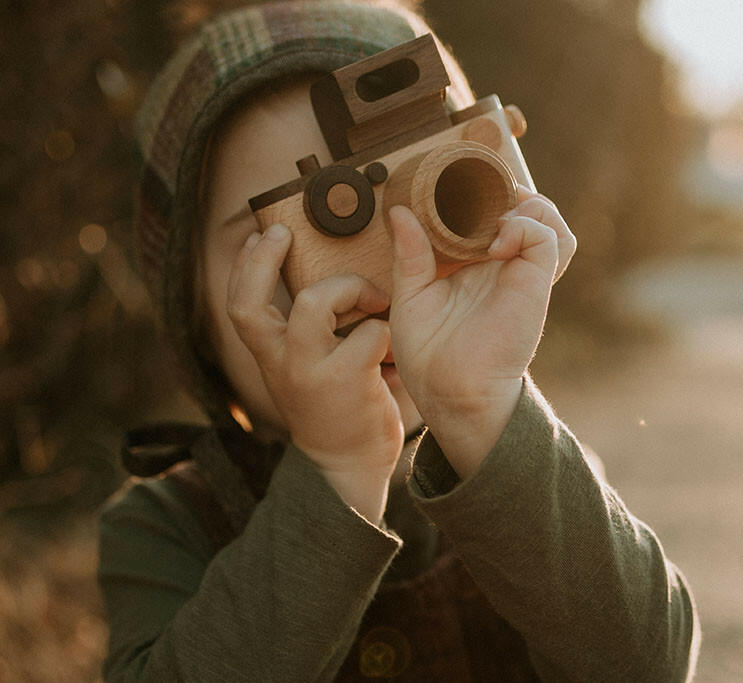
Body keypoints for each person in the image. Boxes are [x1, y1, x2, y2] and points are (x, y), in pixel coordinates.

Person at [98, 1, 699, 680]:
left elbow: (646, 664)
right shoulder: (164, 525)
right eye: (280, 236)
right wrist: (335, 469)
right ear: (193, 314)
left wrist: (480, 407)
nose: (374, 280)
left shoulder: (519, 471)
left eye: (417, 202)